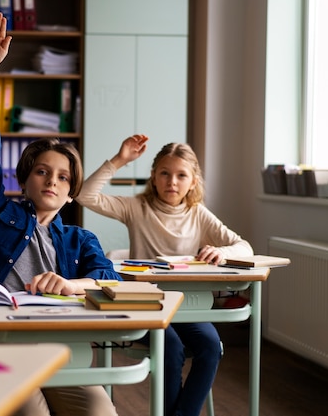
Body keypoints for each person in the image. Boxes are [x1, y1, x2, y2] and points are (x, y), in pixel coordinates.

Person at [0, 13, 121, 416]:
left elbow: (109, 278)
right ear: (26, 180)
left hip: (60, 352)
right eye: (42, 171)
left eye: (63, 177)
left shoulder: (80, 241)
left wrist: (73, 286)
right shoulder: (1, 215)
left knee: (100, 413)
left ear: (71, 194)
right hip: (2, 347)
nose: (52, 181)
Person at [76, 134, 254, 416]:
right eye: (165, 174)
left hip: (187, 307)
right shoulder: (136, 208)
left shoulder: (198, 214)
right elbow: (85, 195)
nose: (172, 182)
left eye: (181, 175)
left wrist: (222, 252)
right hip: (148, 306)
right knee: (170, 347)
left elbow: (244, 246)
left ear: (193, 181)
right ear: (154, 177)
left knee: (210, 347)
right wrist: (120, 160)